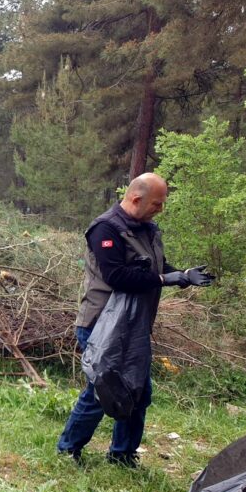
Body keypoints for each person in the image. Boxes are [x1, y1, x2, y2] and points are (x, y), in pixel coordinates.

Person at [57, 173, 214, 467]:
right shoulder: (105, 229)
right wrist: (165, 279)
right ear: (136, 199)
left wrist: (183, 275)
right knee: (102, 392)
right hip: (100, 325)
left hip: (134, 327)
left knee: (138, 392)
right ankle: (68, 450)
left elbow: (157, 267)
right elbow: (118, 277)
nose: (160, 209)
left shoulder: (148, 229)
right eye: (157, 203)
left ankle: (122, 455)